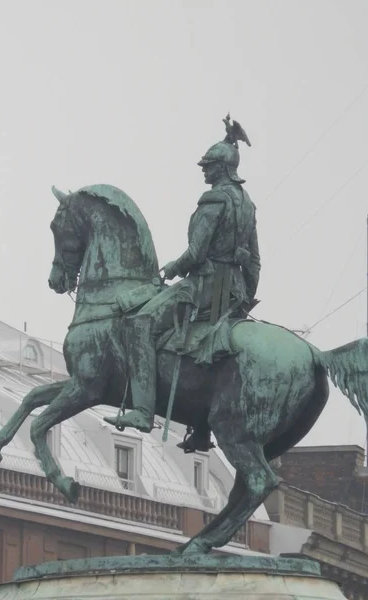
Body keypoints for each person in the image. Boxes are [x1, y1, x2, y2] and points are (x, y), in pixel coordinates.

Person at [104, 115, 261, 452]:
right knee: (197, 352)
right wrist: (248, 294)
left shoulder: (214, 200)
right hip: (234, 290)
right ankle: (201, 428)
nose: (204, 171)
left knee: (140, 323)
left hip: (204, 285)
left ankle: (144, 410)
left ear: (222, 167)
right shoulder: (248, 205)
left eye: (208, 165)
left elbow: (197, 251)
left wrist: (173, 268)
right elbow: (256, 259)